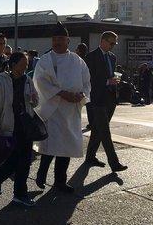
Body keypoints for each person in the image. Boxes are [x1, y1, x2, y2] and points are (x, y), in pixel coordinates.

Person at [33, 22, 91, 193]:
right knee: (51, 146)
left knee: (66, 147)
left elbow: (87, 81)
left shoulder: (77, 60)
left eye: (60, 39)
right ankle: (41, 174)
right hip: (53, 109)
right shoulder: (46, 60)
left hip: (71, 110)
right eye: (54, 39)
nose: (57, 42)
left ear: (68, 40)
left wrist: (81, 95)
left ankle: (60, 181)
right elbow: (40, 81)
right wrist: (61, 93)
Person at [0, 52, 39, 206]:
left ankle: (17, 191)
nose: (25, 68)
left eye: (26, 65)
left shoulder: (28, 80)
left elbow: (36, 101)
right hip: (10, 126)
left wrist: (34, 100)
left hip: (26, 126)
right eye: (22, 64)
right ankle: (0, 178)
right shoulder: (2, 81)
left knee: (24, 160)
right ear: (13, 64)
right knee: (17, 159)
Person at [84, 31, 128, 171]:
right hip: (97, 99)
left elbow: (110, 75)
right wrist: (106, 81)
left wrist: (114, 81)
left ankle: (90, 156)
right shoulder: (91, 57)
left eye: (115, 43)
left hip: (110, 98)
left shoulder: (112, 57)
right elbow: (88, 79)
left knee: (97, 130)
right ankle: (114, 163)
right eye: (111, 43)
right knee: (105, 131)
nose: (113, 45)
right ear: (103, 41)